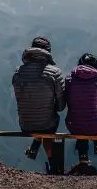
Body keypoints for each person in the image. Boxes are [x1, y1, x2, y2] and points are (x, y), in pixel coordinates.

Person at [12, 36, 65, 165]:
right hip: (46, 125)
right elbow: (61, 107)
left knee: (39, 114)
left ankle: (35, 144)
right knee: (50, 121)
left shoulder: (19, 72)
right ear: (48, 52)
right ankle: (53, 163)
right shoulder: (54, 73)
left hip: (25, 124)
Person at [65, 53, 97, 164]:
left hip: (72, 124)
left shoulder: (69, 78)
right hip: (93, 126)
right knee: (90, 122)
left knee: (79, 122)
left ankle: (83, 157)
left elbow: (67, 100)